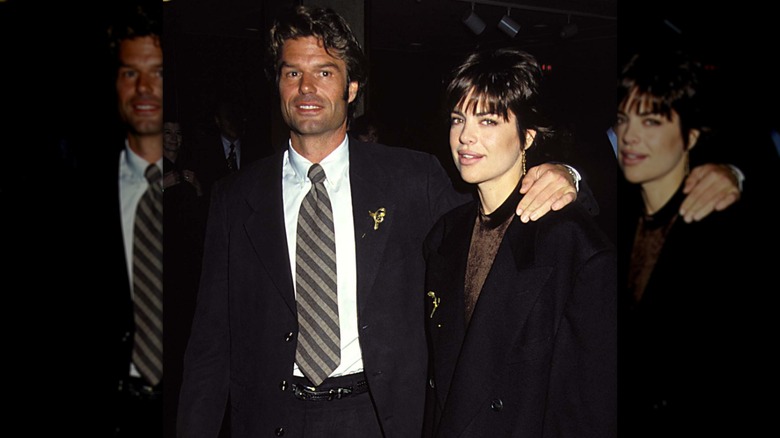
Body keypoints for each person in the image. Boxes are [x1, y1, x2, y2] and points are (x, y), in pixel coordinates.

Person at [177, 6, 583, 438]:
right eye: (292, 73)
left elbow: (494, 226)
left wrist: (569, 177)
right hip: (270, 418)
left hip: (378, 418)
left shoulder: (413, 179)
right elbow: (209, 345)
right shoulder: (236, 198)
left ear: (352, 87)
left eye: (325, 73)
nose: (307, 87)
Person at [422, 47, 617, 437]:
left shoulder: (569, 241)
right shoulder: (446, 233)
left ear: (527, 137)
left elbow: (590, 403)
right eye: (458, 119)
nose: (465, 136)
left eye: (488, 121)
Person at [614, 49, 750, 436]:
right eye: (624, 119)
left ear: (690, 136)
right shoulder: (617, 220)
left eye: (651, 121)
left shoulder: (721, 231)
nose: (630, 135)